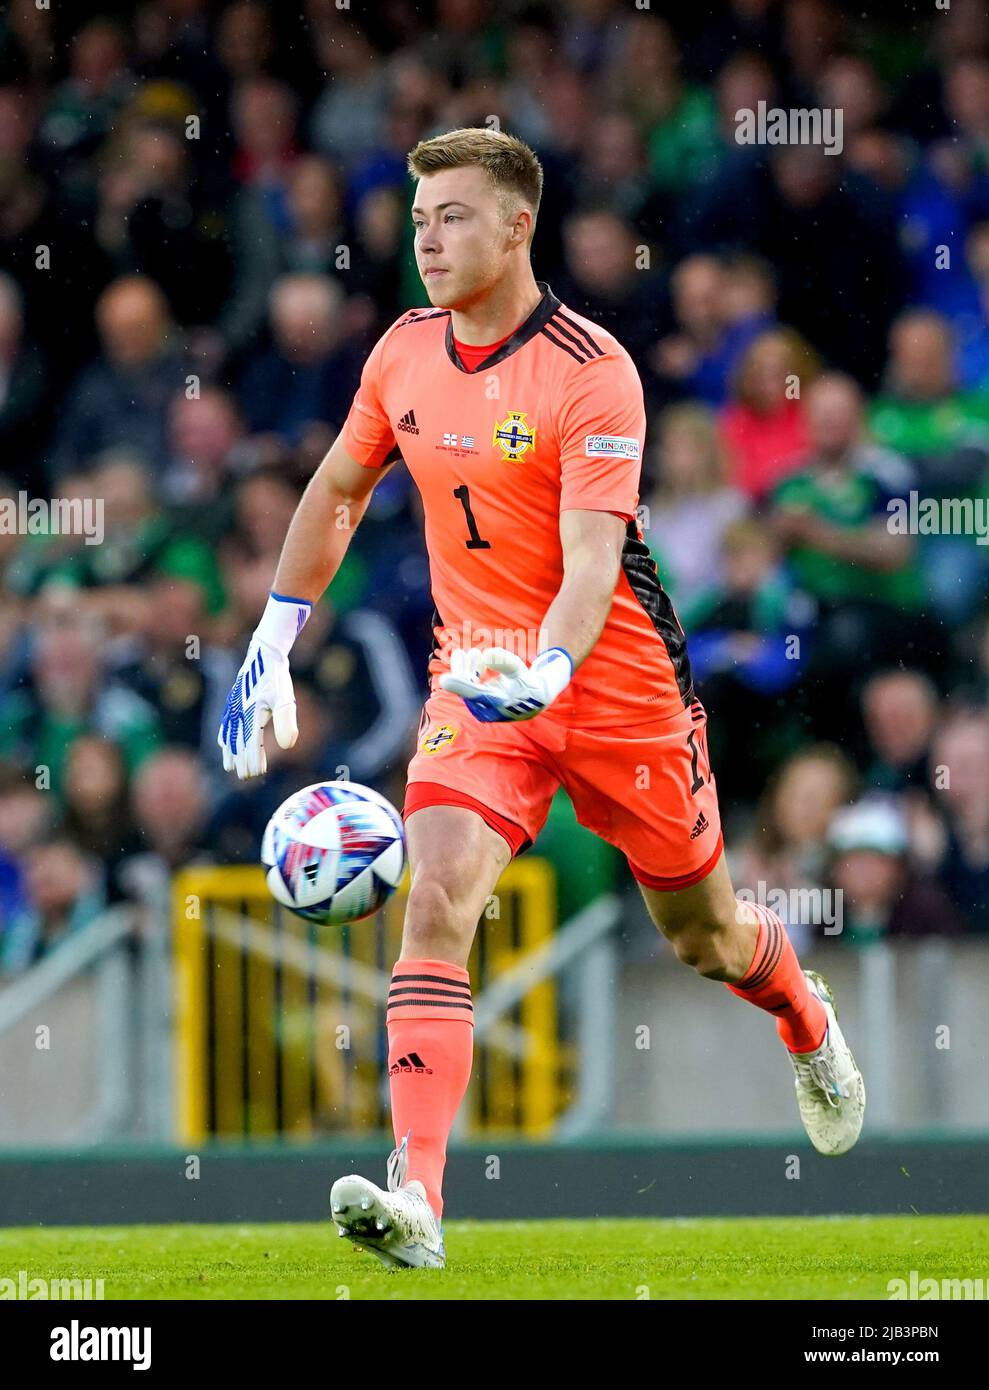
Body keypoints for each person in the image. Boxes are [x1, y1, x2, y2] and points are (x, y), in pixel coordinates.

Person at [216, 127, 865, 1270]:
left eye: (452, 216)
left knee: (702, 936)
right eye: (418, 219)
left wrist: (550, 672)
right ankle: (420, 1196)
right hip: (473, 684)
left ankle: (802, 1018)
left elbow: (591, 562)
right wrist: (273, 632)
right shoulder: (400, 355)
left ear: (517, 225)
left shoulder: (589, 367)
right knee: (434, 901)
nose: (427, 239)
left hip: (614, 691)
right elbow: (336, 489)